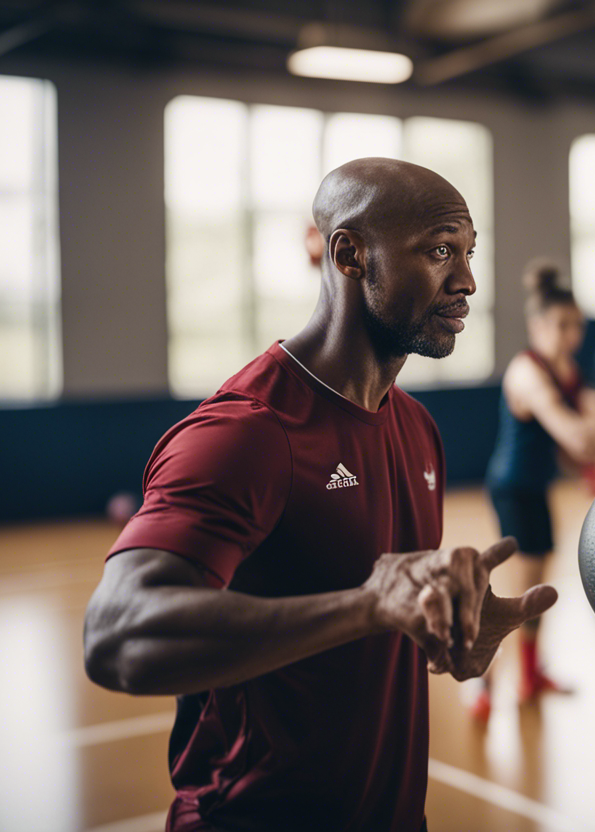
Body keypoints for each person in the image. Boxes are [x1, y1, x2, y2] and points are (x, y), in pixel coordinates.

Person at [83, 158, 557, 832]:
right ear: (350, 254)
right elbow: (116, 635)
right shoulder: (247, 432)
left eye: (469, 252)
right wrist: (369, 606)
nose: (467, 280)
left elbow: (353, 633)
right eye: (440, 250)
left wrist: (444, 633)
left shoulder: (417, 427)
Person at [473, 260, 595, 721]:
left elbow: (576, 454)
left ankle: (530, 675)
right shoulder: (527, 374)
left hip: (538, 487)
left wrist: (590, 434)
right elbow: (577, 438)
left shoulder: (566, 370)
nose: (570, 335)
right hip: (513, 488)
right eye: (560, 325)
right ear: (537, 326)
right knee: (516, 593)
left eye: (577, 326)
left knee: (537, 588)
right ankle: (485, 681)